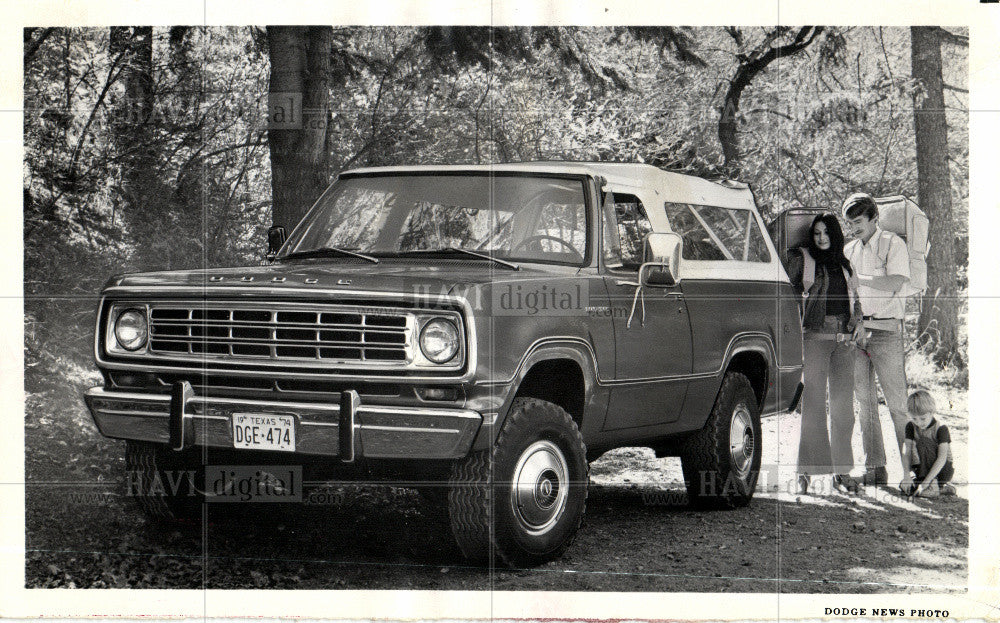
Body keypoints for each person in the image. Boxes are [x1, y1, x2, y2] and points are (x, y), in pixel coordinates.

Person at [787, 213, 863, 495]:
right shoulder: (804, 261)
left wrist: (860, 323)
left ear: (835, 235)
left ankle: (842, 473)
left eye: (826, 233)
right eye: (817, 233)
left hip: (844, 340)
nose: (821, 238)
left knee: (844, 410)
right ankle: (807, 471)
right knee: (814, 406)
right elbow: (790, 295)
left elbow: (856, 300)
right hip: (815, 338)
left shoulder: (845, 264)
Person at [842, 193, 911, 486]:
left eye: (858, 222)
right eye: (850, 223)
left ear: (874, 218)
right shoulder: (849, 250)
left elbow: (897, 280)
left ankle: (915, 472)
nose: (854, 228)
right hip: (858, 332)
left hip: (886, 331)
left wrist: (863, 279)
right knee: (865, 403)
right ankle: (876, 469)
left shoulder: (893, 244)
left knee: (897, 405)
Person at [900, 389, 956, 497]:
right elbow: (907, 452)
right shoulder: (911, 426)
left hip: (942, 470)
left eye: (923, 418)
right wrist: (906, 475)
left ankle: (935, 484)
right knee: (905, 487)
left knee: (923, 441)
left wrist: (925, 483)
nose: (919, 422)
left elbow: (942, 458)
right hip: (922, 470)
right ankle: (941, 489)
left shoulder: (941, 428)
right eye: (914, 418)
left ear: (931, 412)